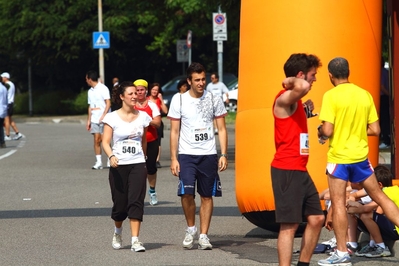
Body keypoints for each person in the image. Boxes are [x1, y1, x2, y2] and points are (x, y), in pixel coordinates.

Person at [317, 57, 399, 266]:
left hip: (339, 159)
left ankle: (342, 252)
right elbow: (375, 130)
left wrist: (322, 132)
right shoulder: (364, 95)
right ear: (349, 72)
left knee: (337, 203)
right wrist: (354, 130)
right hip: (360, 158)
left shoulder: (330, 96)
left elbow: (327, 130)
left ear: (330, 75)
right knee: (379, 196)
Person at [271, 53, 324, 266]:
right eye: (313, 75)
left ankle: (303, 264)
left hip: (300, 169)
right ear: (301, 75)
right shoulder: (283, 98)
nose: (315, 79)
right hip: (286, 169)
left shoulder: (296, 103)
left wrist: (306, 113)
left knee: (317, 218)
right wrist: (291, 81)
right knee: (289, 226)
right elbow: (299, 86)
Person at [168, 62, 228, 250]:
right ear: (189, 81)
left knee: (206, 196)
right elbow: (174, 131)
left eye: (203, 79)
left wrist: (223, 154)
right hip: (187, 154)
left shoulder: (213, 99)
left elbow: (222, 128)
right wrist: (173, 158)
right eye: (197, 80)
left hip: (208, 154)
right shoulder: (179, 100)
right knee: (186, 194)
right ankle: (191, 228)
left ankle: (203, 235)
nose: (201, 83)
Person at [102, 81, 152, 252]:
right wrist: (111, 156)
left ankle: (135, 240)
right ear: (122, 97)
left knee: (136, 201)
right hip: (119, 165)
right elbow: (105, 142)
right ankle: (117, 231)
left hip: (137, 163)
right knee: (120, 204)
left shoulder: (143, 117)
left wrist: (144, 159)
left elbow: (144, 140)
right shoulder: (112, 117)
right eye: (130, 94)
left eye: (135, 93)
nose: (134, 96)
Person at [346, 165, 398, 258]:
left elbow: (374, 213)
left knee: (367, 216)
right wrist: (353, 204)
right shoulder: (390, 188)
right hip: (392, 226)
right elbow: (354, 194)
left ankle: (380, 247)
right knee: (366, 214)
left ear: (379, 185)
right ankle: (373, 244)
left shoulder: (387, 192)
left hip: (396, 230)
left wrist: (354, 208)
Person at [133, 79, 161, 205]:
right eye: (137, 90)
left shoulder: (152, 105)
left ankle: (152, 191)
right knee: (136, 169)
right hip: (135, 141)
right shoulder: (131, 105)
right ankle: (137, 194)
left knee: (151, 168)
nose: (139, 92)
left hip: (151, 140)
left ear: (146, 91)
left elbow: (158, 123)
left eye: (142, 90)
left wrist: (145, 119)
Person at [85, 70, 111, 170]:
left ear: (90, 79)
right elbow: (90, 106)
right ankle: (99, 161)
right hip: (94, 119)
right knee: (96, 140)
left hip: (104, 119)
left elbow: (108, 103)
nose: (86, 81)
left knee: (106, 140)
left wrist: (104, 115)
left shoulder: (103, 88)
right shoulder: (90, 91)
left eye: (86, 79)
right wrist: (88, 120)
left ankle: (109, 159)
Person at [147, 83, 168, 168]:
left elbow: (166, 111)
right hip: (148, 123)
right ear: (150, 90)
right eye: (153, 89)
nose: (155, 91)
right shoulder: (146, 99)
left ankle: (157, 160)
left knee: (158, 142)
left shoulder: (159, 100)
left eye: (157, 90)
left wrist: (161, 99)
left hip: (158, 123)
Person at [2, 72, 22, 141]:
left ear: (6, 77)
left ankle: (7, 135)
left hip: (8, 103)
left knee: (6, 120)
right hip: (10, 103)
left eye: (2, 77)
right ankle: (17, 133)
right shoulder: (12, 84)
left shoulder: (7, 85)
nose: (2, 78)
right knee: (10, 120)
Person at [379, 62, 390, 149]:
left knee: (383, 119)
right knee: (385, 118)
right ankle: (386, 137)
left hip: (382, 97)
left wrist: (388, 94)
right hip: (385, 97)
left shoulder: (381, 72)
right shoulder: (386, 72)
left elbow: (381, 86)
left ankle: (386, 139)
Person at [0, 81, 7, 148]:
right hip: (3, 109)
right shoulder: (4, 88)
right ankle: (2, 142)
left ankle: (2, 142)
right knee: (0, 127)